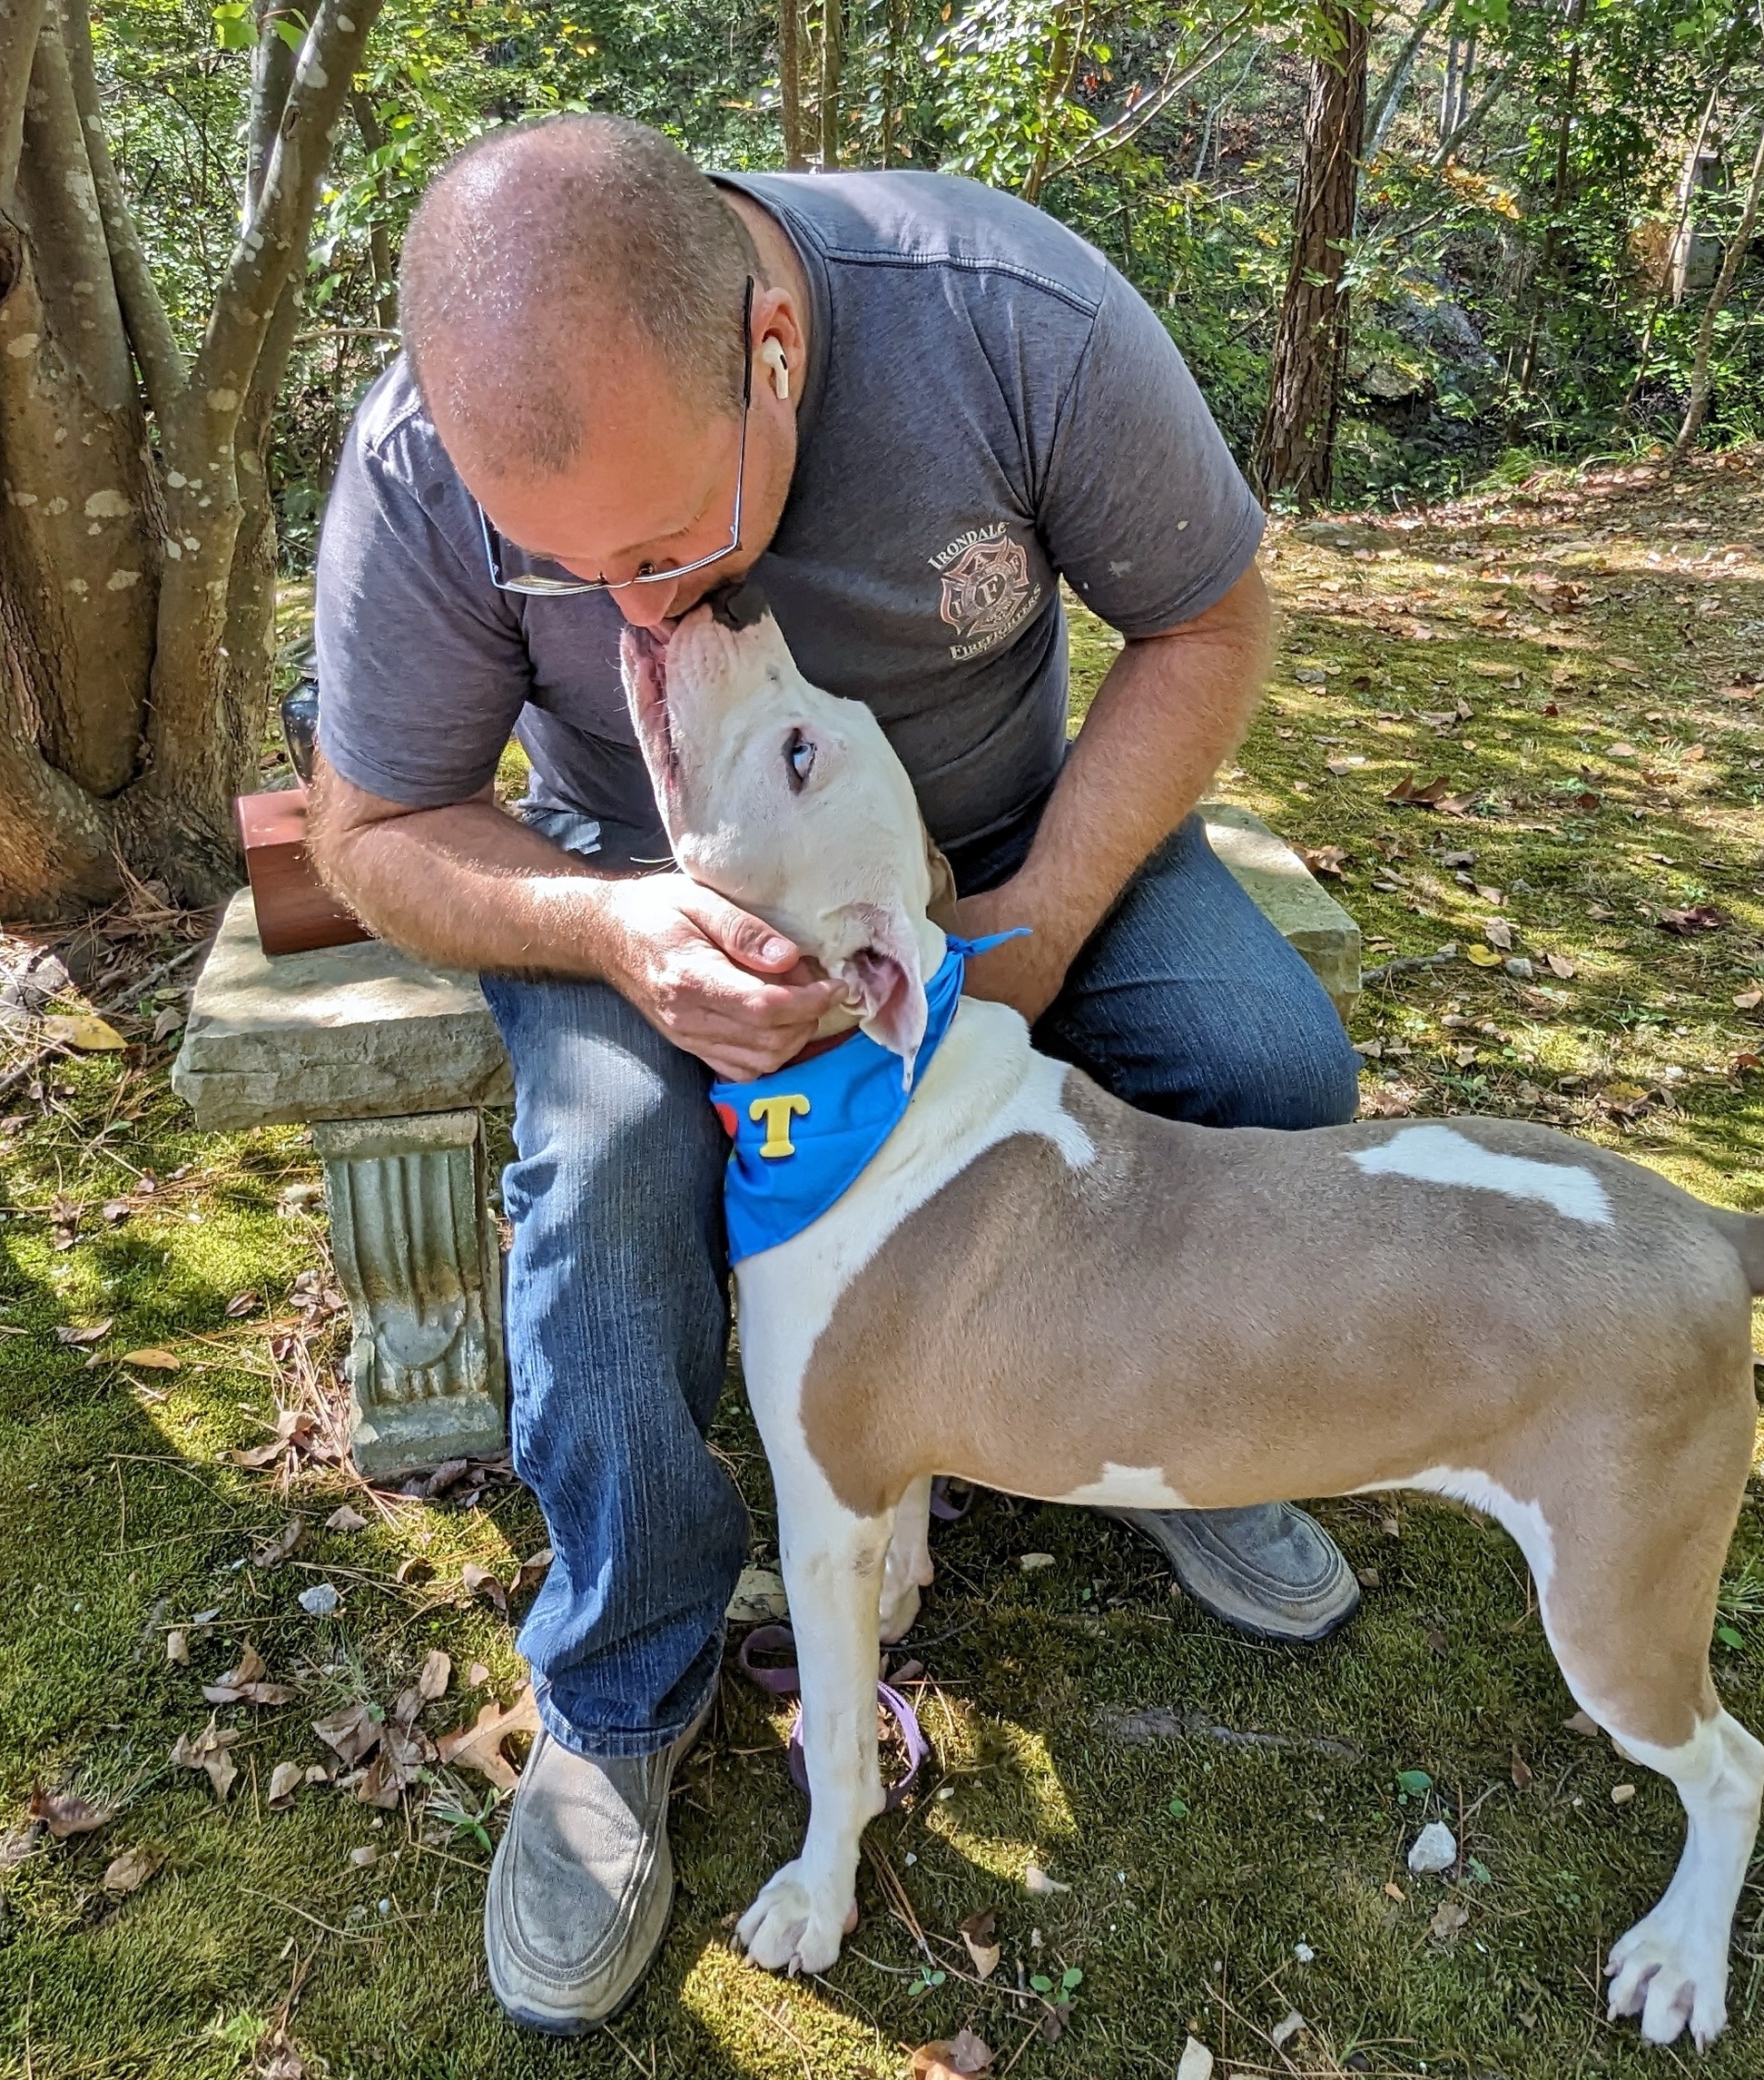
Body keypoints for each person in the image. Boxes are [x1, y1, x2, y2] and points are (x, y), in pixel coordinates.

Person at [308, 112, 1363, 2033]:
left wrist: (1027, 934)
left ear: (769, 355)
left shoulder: (1006, 314)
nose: (634, 612)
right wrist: (615, 932)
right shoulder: (419, 461)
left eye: (667, 543)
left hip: (1018, 840)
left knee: (1262, 1062)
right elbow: (374, 824)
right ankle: (622, 1689)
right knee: (616, 1173)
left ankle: (1172, 1441)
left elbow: (1212, 619)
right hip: (649, 884)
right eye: (566, 572)